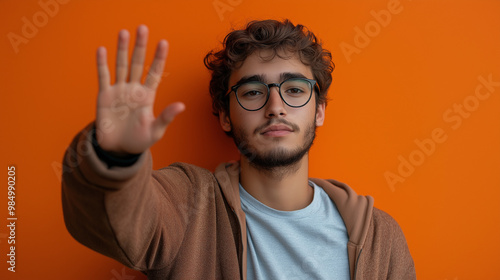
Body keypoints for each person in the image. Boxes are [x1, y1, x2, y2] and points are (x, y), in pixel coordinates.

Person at [61, 19, 416, 280]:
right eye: (252, 92)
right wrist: (115, 158)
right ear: (225, 117)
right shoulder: (188, 204)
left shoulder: (380, 238)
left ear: (319, 110)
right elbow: (121, 224)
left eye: (294, 89)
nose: (275, 106)